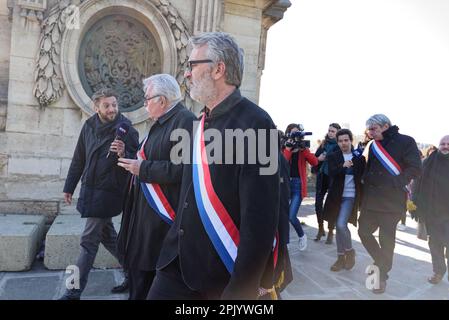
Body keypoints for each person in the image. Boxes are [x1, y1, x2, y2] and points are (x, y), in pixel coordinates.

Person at [147, 32, 280, 300]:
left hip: (218, 273)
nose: (187, 75)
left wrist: (241, 290)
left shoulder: (258, 124)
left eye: (193, 66)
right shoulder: (199, 122)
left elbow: (261, 218)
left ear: (219, 69)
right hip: (175, 262)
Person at [115, 74, 196, 299]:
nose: (145, 103)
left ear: (162, 100)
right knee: (138, 280)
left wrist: (143, 169)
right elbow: (149, 159)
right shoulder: (159, 124)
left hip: (160, 221)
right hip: (143, 216)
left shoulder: (185, 121)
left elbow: (183, 169)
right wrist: (128, 156)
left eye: (147, 98)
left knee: (147, 283)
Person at [59, 88, 139, 300]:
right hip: (90, 189)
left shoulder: (127, 130)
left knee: (88, 242)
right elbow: (79, 158)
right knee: (109, 237)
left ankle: (72, 292)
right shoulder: (89, 126)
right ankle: (135, 274)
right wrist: (69, 186)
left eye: (114, 104)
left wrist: (124, 152)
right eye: (107, 105)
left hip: (109, 193)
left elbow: (136, 163)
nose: (112, 109)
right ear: (96, 107)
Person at [358, 114, 422, 294]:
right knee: (363, 231)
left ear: (385, 126)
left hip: (391, 201)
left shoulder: (406, 141)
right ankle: (381, 262)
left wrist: (395, 182)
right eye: (369, 130)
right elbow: (368, 168)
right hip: (371, 199)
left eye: (373, 129)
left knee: (387, 240)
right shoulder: (372, 145)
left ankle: (382, 277)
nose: (369, 133)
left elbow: (415, 168)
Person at [323, 129, 365, 271]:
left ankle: (350, 251)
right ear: (338, 142)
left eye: (346, 140)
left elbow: (362, 177)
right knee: (338, 227)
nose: (343, 143)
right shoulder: (333, 156)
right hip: (336, 197)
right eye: (340, 141)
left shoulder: (358, 157)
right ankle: (340, 258)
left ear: (351, 140)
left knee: (341, 225)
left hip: (350, 196)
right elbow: (332, 173)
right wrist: (343, 166)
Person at [411, 135, 449, 284]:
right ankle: (438, 272)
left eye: (448, 144)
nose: (445, 146)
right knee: (435, 243)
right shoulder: (427, 163)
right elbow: (416, 185)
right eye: (442, 144)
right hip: (433, 212)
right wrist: (414, 204)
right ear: (438, 146)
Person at [282, 124, 318, 251]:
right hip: (285, 185)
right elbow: (282, 163)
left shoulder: (303, 148)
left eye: (298, 133)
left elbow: (315, 162)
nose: (296, 136)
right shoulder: (284, 146)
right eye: (293, 133)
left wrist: (304, 150)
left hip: (297, 185)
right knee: (282, 215)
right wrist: (288, 149)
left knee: (291, 216)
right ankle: (283, 242)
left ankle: (302, 236)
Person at [314, 123, 341, 243]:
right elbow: (315, 158)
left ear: (337, 133)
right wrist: (319, 157)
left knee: (332, 205)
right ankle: (320, 229)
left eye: (333, 131)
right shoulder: (323, 143)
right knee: (318, 204)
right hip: (322, 176)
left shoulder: (340, 145)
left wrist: (328, 157)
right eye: (329, 130)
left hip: (333, 177)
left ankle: (331, 231)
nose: (330, 133)